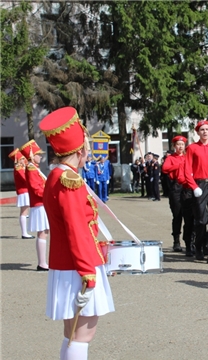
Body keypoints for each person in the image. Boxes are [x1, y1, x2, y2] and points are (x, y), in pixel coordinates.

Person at [39, 106, 114, 360]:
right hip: (78, 266)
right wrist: (88, 273)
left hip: (69, 265)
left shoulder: (56, 176)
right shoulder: (69, 180)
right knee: (82, 335)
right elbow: (76, 230)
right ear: (80, 150)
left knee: (72, 333)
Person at [184, 120, 208, 265]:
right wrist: (194, 187)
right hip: (200, 185)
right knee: (201, 220)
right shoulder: (192, 148)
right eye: (202, 130)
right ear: (198, 132)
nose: (205, 132)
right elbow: (187, 170)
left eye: (207, 129)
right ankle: (199, 247)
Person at [20, 139, 49, 271]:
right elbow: (36, 188)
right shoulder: (31, 169)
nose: (41, 156)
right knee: (42, 232)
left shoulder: (35, 168)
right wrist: (49, 193)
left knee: (45, 232)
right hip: (39, 203)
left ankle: (43, 262)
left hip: (42, 203)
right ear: (32, 155)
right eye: (38, 154)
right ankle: (42, 263)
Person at [162, 136, 188, 252]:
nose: (180, 146)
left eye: (182, 144)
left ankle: (189, 241)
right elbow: (165, 168)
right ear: (174, 146)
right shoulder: (171, 158)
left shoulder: (188, 157)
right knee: (177, 215)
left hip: (187, 187)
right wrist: (179, 165)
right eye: (178, 144)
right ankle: (176, 241)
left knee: (189, 216)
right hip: (176, 187)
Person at [8, 149, 34, 239]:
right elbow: (25, 179)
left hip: (24, 192)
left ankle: (25, 232)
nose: (24, 160)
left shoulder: (20, 168)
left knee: (24, 212)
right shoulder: (19, 169)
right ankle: (24, 233)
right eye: (22, 159)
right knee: (24, 212)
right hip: (23, 192)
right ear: (18, 160)